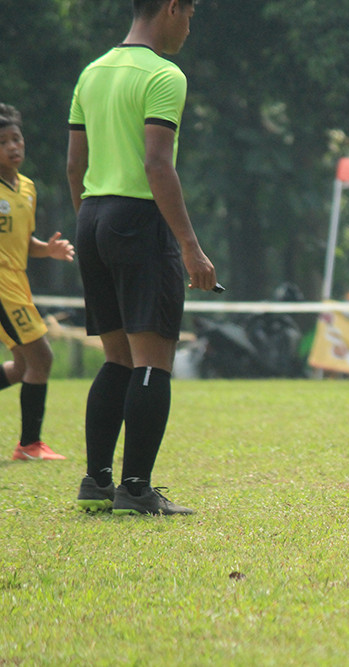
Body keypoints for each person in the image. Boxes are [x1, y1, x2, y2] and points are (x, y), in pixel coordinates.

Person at [67, 0, 216, 515]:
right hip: (138, 218)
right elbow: (156, 163)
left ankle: (96, 482)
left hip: (91, 214)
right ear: (172, 7)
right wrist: (190, 246)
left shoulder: (92, 72)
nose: (190, 27)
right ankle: (135, 489)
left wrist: (93, 229)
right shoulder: (163, 75)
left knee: (118, 357)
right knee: (153, 359)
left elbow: (74, 165)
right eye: (190, 15)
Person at [0, 103, 76, 461]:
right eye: (3, 142)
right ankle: (29, 446)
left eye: (16, 139)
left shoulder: (28, 188)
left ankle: (30, 445)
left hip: (18, 283)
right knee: (41, 358)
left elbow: (24, 241)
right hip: (2, 286)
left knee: (21, 367)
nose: (12, 147)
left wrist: (49, 249)